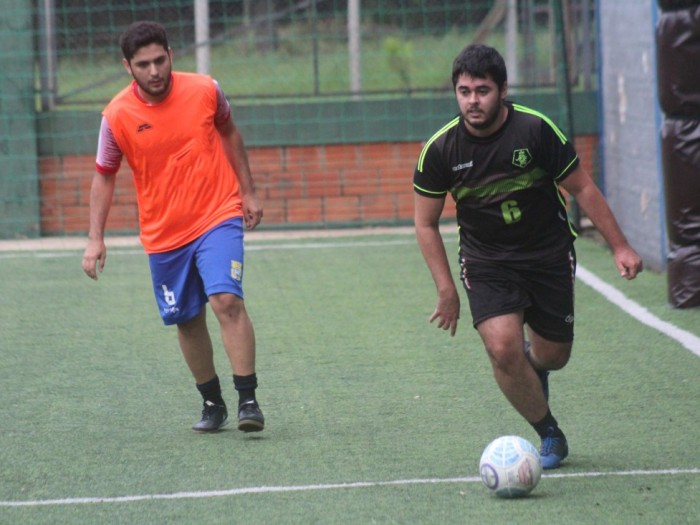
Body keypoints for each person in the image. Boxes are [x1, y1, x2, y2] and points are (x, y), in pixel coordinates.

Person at [413, 44, 643, 469]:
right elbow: (425, 224)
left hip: (548, 254)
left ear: (502, 90)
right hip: (487, 262)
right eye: (464, 91)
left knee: (555, 355)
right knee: (502, 349)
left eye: (482, 90)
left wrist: (621, 246)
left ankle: (535, 370)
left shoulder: (536, 131)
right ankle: (549, 432)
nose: (472, 101)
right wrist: (446, 289)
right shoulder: (441, 150)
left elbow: (583, 189)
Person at [81, 21, 265, 434]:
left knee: (225, 300)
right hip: (164, 233)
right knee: (186, 318)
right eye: (143, 64)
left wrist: (248, 192)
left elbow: (229, 131)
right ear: (127, 66)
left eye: (160, 60)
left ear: (171, 54)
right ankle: (212, 402)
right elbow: (104, 175)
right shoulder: (115, 117)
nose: (154, 71)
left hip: (217, 213)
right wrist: (95, 237)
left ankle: (248, 399)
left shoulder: (205, 90)